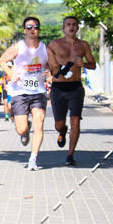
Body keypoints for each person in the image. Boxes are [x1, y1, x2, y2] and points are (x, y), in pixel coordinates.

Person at [0, 17, 49, 170]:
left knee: (39, 124)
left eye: (36, 27)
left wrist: (49, 74)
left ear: (39, 30)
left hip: (38, 91)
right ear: (24, 30)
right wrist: (11, 74)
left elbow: (52, 66)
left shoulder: (45, 48)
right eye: (29, 27)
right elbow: (2, 60)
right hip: (20, 91)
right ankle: (25, 130)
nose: (32, 29)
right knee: (21, 129)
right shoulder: (18, 47)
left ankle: (33, 159)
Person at [47, 16, 96, 165]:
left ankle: (70, 155)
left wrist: (84, 64)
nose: (71, 27)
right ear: (63, 28)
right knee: (59, 125)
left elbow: (93, 64)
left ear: (77, 28)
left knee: (75, 120)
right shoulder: (54, 44)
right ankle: (62, 131)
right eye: (68, 24)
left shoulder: (83, 45)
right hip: (58, 87)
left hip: (75, 87)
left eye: (74, 24)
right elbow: (48, 63)